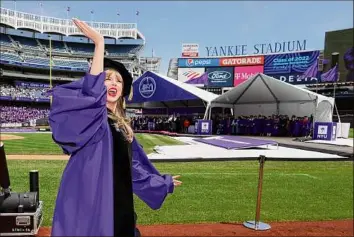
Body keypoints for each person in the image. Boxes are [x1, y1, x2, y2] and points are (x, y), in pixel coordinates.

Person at [49, 18, 181, 237]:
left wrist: (161, 182)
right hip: (90, 199)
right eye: (107, 79)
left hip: (118, 201)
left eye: (118, 81)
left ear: (123, 90)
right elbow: (92, 94)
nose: (113, 84)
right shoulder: (92, 116)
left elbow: (133, 168)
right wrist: (99, 43)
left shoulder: (122, 126)